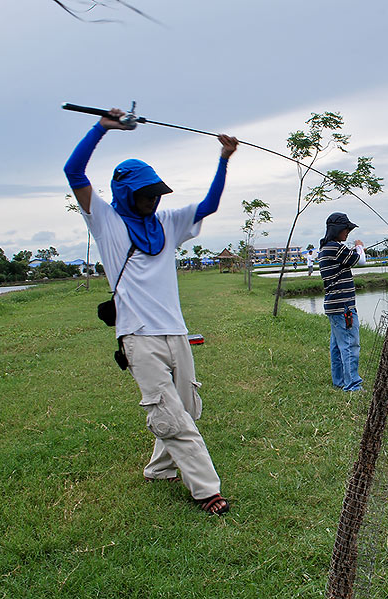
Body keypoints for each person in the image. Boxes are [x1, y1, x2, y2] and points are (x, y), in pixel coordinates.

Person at [64, 107, 237, 515]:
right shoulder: (106, 222)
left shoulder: (167, 222)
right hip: (138, 335)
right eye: (144, 194)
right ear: (126, 194)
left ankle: (159, 469)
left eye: (155, 193)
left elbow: (209, 204)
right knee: (169, 414)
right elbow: (74, 173)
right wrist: (102, 128)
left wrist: (223, 159)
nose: (152, 199)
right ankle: (207, 490)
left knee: (186, 407)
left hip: (175, 329)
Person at [318, 213, 365, 392]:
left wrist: (355, 249)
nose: (348, 232)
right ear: (337, 229)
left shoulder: (325, 249)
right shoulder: (336, 248)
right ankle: (353, 385)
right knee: (350, 344)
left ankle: (339, 381)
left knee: (337, 346)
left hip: (333, 305)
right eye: (346, 229)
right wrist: (359, 247)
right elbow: (360, 261)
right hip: (343, 305)